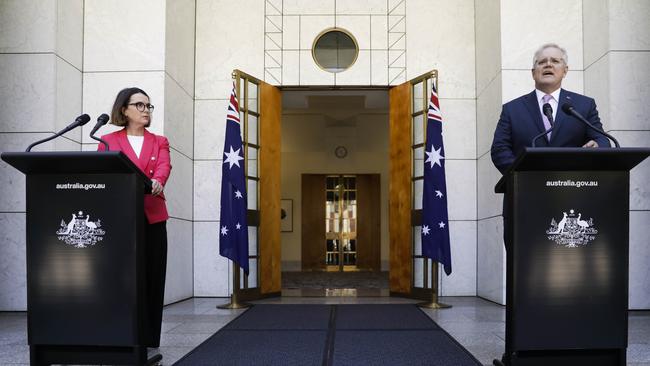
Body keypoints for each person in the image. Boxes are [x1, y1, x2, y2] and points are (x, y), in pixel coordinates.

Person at [98, 87, 172, 348]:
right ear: (124, 110)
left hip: (153, 216)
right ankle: (122, 334)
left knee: (152, 276)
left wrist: (158, 180)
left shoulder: (159, 140)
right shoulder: (108, 140)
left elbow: (164, 165)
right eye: (140, 105)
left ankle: (150, 338)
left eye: (148, 106)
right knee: (123, 278)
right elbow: (104, 173)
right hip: (122, 218)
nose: (145, 111)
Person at [491, 43, 610, 174]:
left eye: (555, 61)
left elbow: (603, 140)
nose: (548, 64)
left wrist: (597, 145)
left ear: (565, 71)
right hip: (526, 188)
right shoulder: (512, 109)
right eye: (542, 62)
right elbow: (499, 149)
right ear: (533, 73)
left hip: (572, 186)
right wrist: (520, 174)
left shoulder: (584, 105)